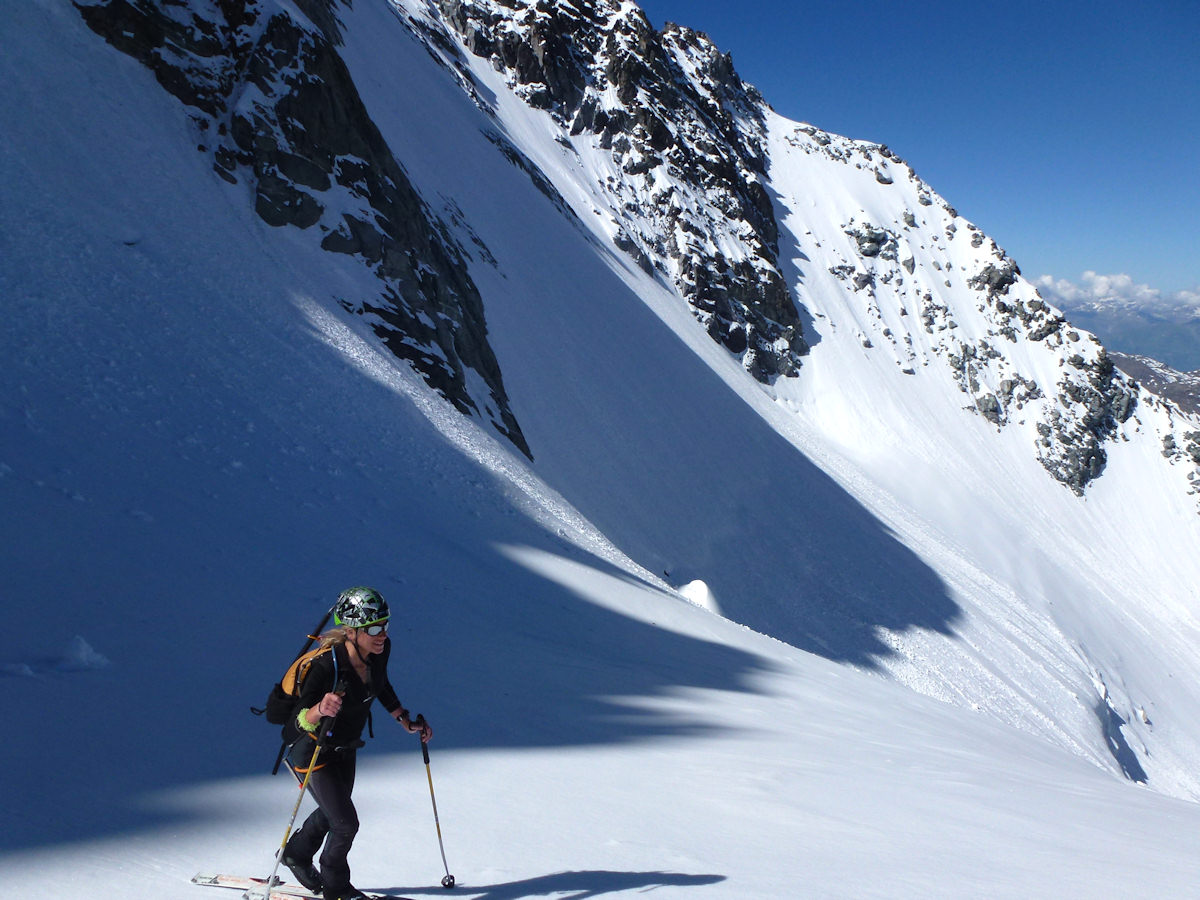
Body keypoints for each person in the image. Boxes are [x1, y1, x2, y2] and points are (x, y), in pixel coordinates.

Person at [280, 586, 433, 900]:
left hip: (346, 746)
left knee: (332, 812)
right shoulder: (325, 668)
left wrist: (403, 718)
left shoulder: (379, 651)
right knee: (346, 823)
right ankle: (336, 888)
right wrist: (319, 710)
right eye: (374, 628)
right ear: (350, 631)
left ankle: (295, 854)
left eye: (385, 625)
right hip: (312, 750)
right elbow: (292, 727)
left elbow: (381, 684)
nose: (382, 634)